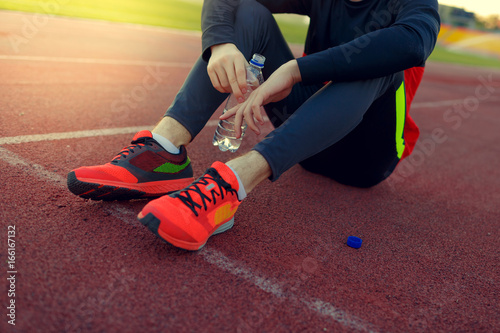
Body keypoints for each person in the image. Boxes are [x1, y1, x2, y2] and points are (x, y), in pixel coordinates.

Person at [67, 0, 440, 250]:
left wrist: (296, 70)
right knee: (248, 13)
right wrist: (221, 44)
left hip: (365, 156)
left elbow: (411, 44)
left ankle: (233, 184)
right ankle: (164, 151)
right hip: (307, 143)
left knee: (380, 61)